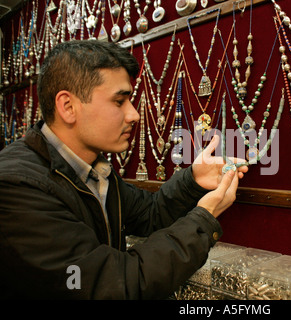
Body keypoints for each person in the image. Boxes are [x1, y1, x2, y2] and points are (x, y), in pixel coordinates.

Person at [0, 40, 247, 299]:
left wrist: (193, 180)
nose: (134, 115)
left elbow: (150, 214)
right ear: (68, 107)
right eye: (119, 102)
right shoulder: (17, 186)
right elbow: (116, 286)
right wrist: (205, 217)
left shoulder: (94, 171)